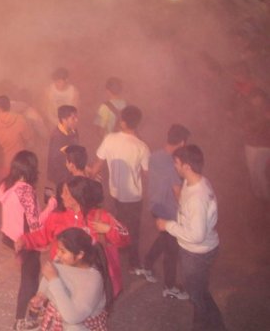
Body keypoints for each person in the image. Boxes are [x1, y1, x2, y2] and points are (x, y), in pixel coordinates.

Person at [17, 176, 128, 298]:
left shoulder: (100, 217)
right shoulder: (57, 217)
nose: (62, 195)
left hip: (90, 284)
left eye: (66, 192)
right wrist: (25, 240)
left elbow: (125, 238)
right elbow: (43, 236)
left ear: (78, 196)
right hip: (64, 277)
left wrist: (108, 229)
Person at [156, 145, 226, 331]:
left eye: (177, 163)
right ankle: (214, 324)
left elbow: (196, 235)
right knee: (199, 290)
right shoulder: (194, 181)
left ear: (187, 166)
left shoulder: (197, 198)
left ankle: (205, 325)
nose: (175, 166)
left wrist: (168, 225)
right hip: (199, 249)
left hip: (197, 253)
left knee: (196, 294)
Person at [0, 150, 55, 331]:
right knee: (29, 280)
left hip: (9, 236)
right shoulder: (26, 191)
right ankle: (21, 319)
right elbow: (36, 222)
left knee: (29, 275)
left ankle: (32, 312)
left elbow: (1, 199)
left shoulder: (6, 184)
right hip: (25, 240)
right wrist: (51, 205)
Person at [92, 104, 149, 273]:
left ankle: (113, 258)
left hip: (114, 193)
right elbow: (147, 174)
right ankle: (133, 263)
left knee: (114, 225)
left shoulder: (110, 139)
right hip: (134, 197)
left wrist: (90, 175)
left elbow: (97, 165)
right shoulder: (142, 147)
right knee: (133, 230)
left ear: (122, 122)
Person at [141, 124, 191, 299]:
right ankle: (169, 286)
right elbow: (177, 191)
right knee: (172, 249)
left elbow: (148, 176)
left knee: (164, 237)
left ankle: (147, 263)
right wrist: (187, 210)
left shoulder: (155, 156)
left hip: (155, 205)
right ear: (182, 142)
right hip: (169, 210)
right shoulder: (174, 163)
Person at [29, 227, 112, 331]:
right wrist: (41, 296)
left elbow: (72, 317)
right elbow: (46, 282)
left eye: (63, 251)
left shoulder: (93, 280)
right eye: (58, 249)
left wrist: (54, 280)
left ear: (80, 255)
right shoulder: (61, 262)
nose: (58, 254)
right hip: (57, 322)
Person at [0, 95, 32, 179]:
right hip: (19, 163)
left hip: (3, 164)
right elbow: (28, 138)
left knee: (5, 186)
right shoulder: (20, 119)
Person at [47, 105, 79, 188]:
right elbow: (57, 162)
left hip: (71, 173)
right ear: (64, 120)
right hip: (59, 178)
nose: (77, 120)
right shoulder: (57, 137)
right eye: (73, 118)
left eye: (76, 117)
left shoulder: (74, 131)